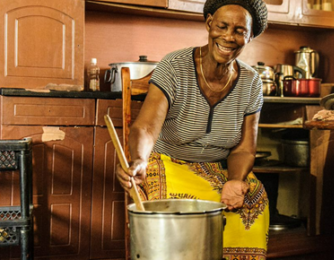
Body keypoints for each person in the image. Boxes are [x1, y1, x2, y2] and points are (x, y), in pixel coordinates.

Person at [116, 0, 270, 258]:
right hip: (168, 162)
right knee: (175, 211)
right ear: (209, 23)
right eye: (222, 26)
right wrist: (140, 160)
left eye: (240, 31)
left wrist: (235, 179)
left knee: (254, 198)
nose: (229, 37)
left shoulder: (251, 82)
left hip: (218, 167)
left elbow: (245, 148)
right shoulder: (175, 66)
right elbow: (146, 126)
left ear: (250, 36)